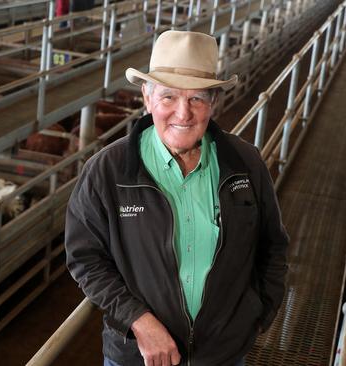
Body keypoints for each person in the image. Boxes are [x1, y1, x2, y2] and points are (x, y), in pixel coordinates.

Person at [65, 30, 289, 366]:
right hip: (137, 357)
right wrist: (137, 320)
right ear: (147, 97)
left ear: (213, 102)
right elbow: (85, 258)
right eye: (168, 97)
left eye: (197, 99)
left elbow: (272, 245)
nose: (183, 114)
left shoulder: (245, 164)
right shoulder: (108, 172)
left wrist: (254, 317)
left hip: (222, 355)